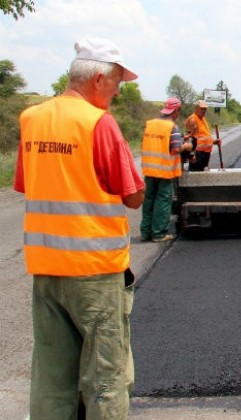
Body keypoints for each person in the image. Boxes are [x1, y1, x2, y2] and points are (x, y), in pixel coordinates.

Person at [13, 37, 145, 419]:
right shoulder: (98, 123)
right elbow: (134, 195)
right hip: (95, 272)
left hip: (46, 271)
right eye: (118, 82)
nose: (118, 92)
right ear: (99, 78)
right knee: (106, 377)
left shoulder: (31, 118)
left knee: (53, 377)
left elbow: (27, 184)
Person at [140, 97, 193, 242]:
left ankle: (145, 232)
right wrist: (186, 146)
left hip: (149, 170)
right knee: (163, 201)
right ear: (176, 110)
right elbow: (176, 148)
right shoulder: (172, 127)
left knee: (149, 199)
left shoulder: (149, 125)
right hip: (164, 170)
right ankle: (158, 234)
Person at [184, 100, 219, 171]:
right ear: (196, 108)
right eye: (202, 108)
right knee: (195, 176)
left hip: (205, 153)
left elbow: (203, 136)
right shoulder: (193, 120)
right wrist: (191, 155)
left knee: (202, 174)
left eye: (205, 109)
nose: (203, 110)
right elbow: (190, 139)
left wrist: (214, 142)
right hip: (197, 154)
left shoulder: (203, 119)